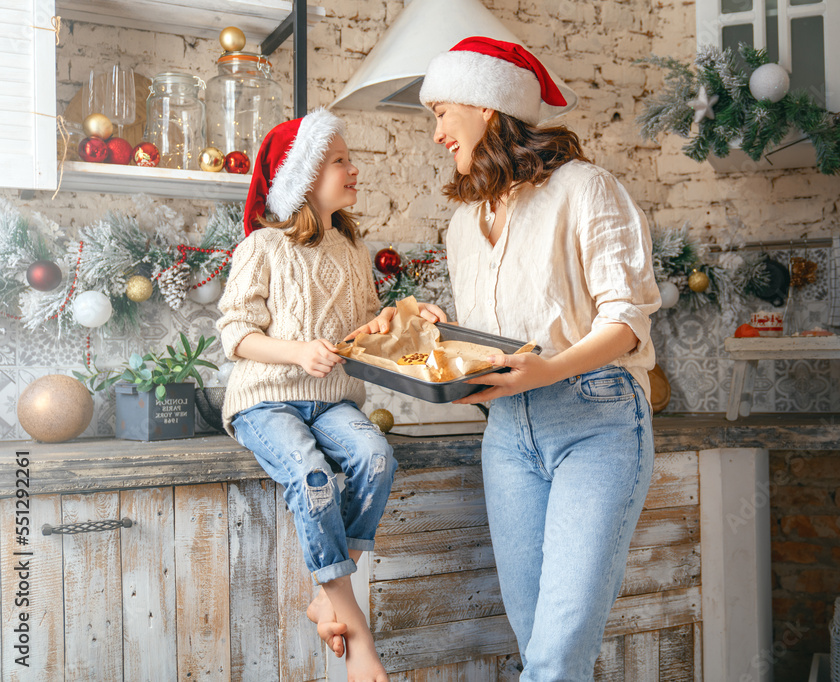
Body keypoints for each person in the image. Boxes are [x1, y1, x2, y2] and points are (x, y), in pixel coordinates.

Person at [360, 37, 661, 681]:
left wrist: (550, 370)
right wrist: (422, 325)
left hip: (596, 422)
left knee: (555, 657)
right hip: (505, 435)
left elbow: (628, 321)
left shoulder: (586, 187)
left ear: (489, 107)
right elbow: (495, 338)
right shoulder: (464, 221)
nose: (437, 132)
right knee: (541, 652)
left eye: (442, 111)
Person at [216, 107, 394, 682]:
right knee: (311, 476)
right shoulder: (262, 249)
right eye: (339, 160)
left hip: (335, 399)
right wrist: (296, 351)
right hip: (266, 400)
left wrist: (397, 319)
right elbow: (235, 334)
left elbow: (363, 329)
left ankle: (328, 599)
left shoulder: (351, 251)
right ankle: (354, 623)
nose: (353, 168)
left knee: (376, 456)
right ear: (302, 177)